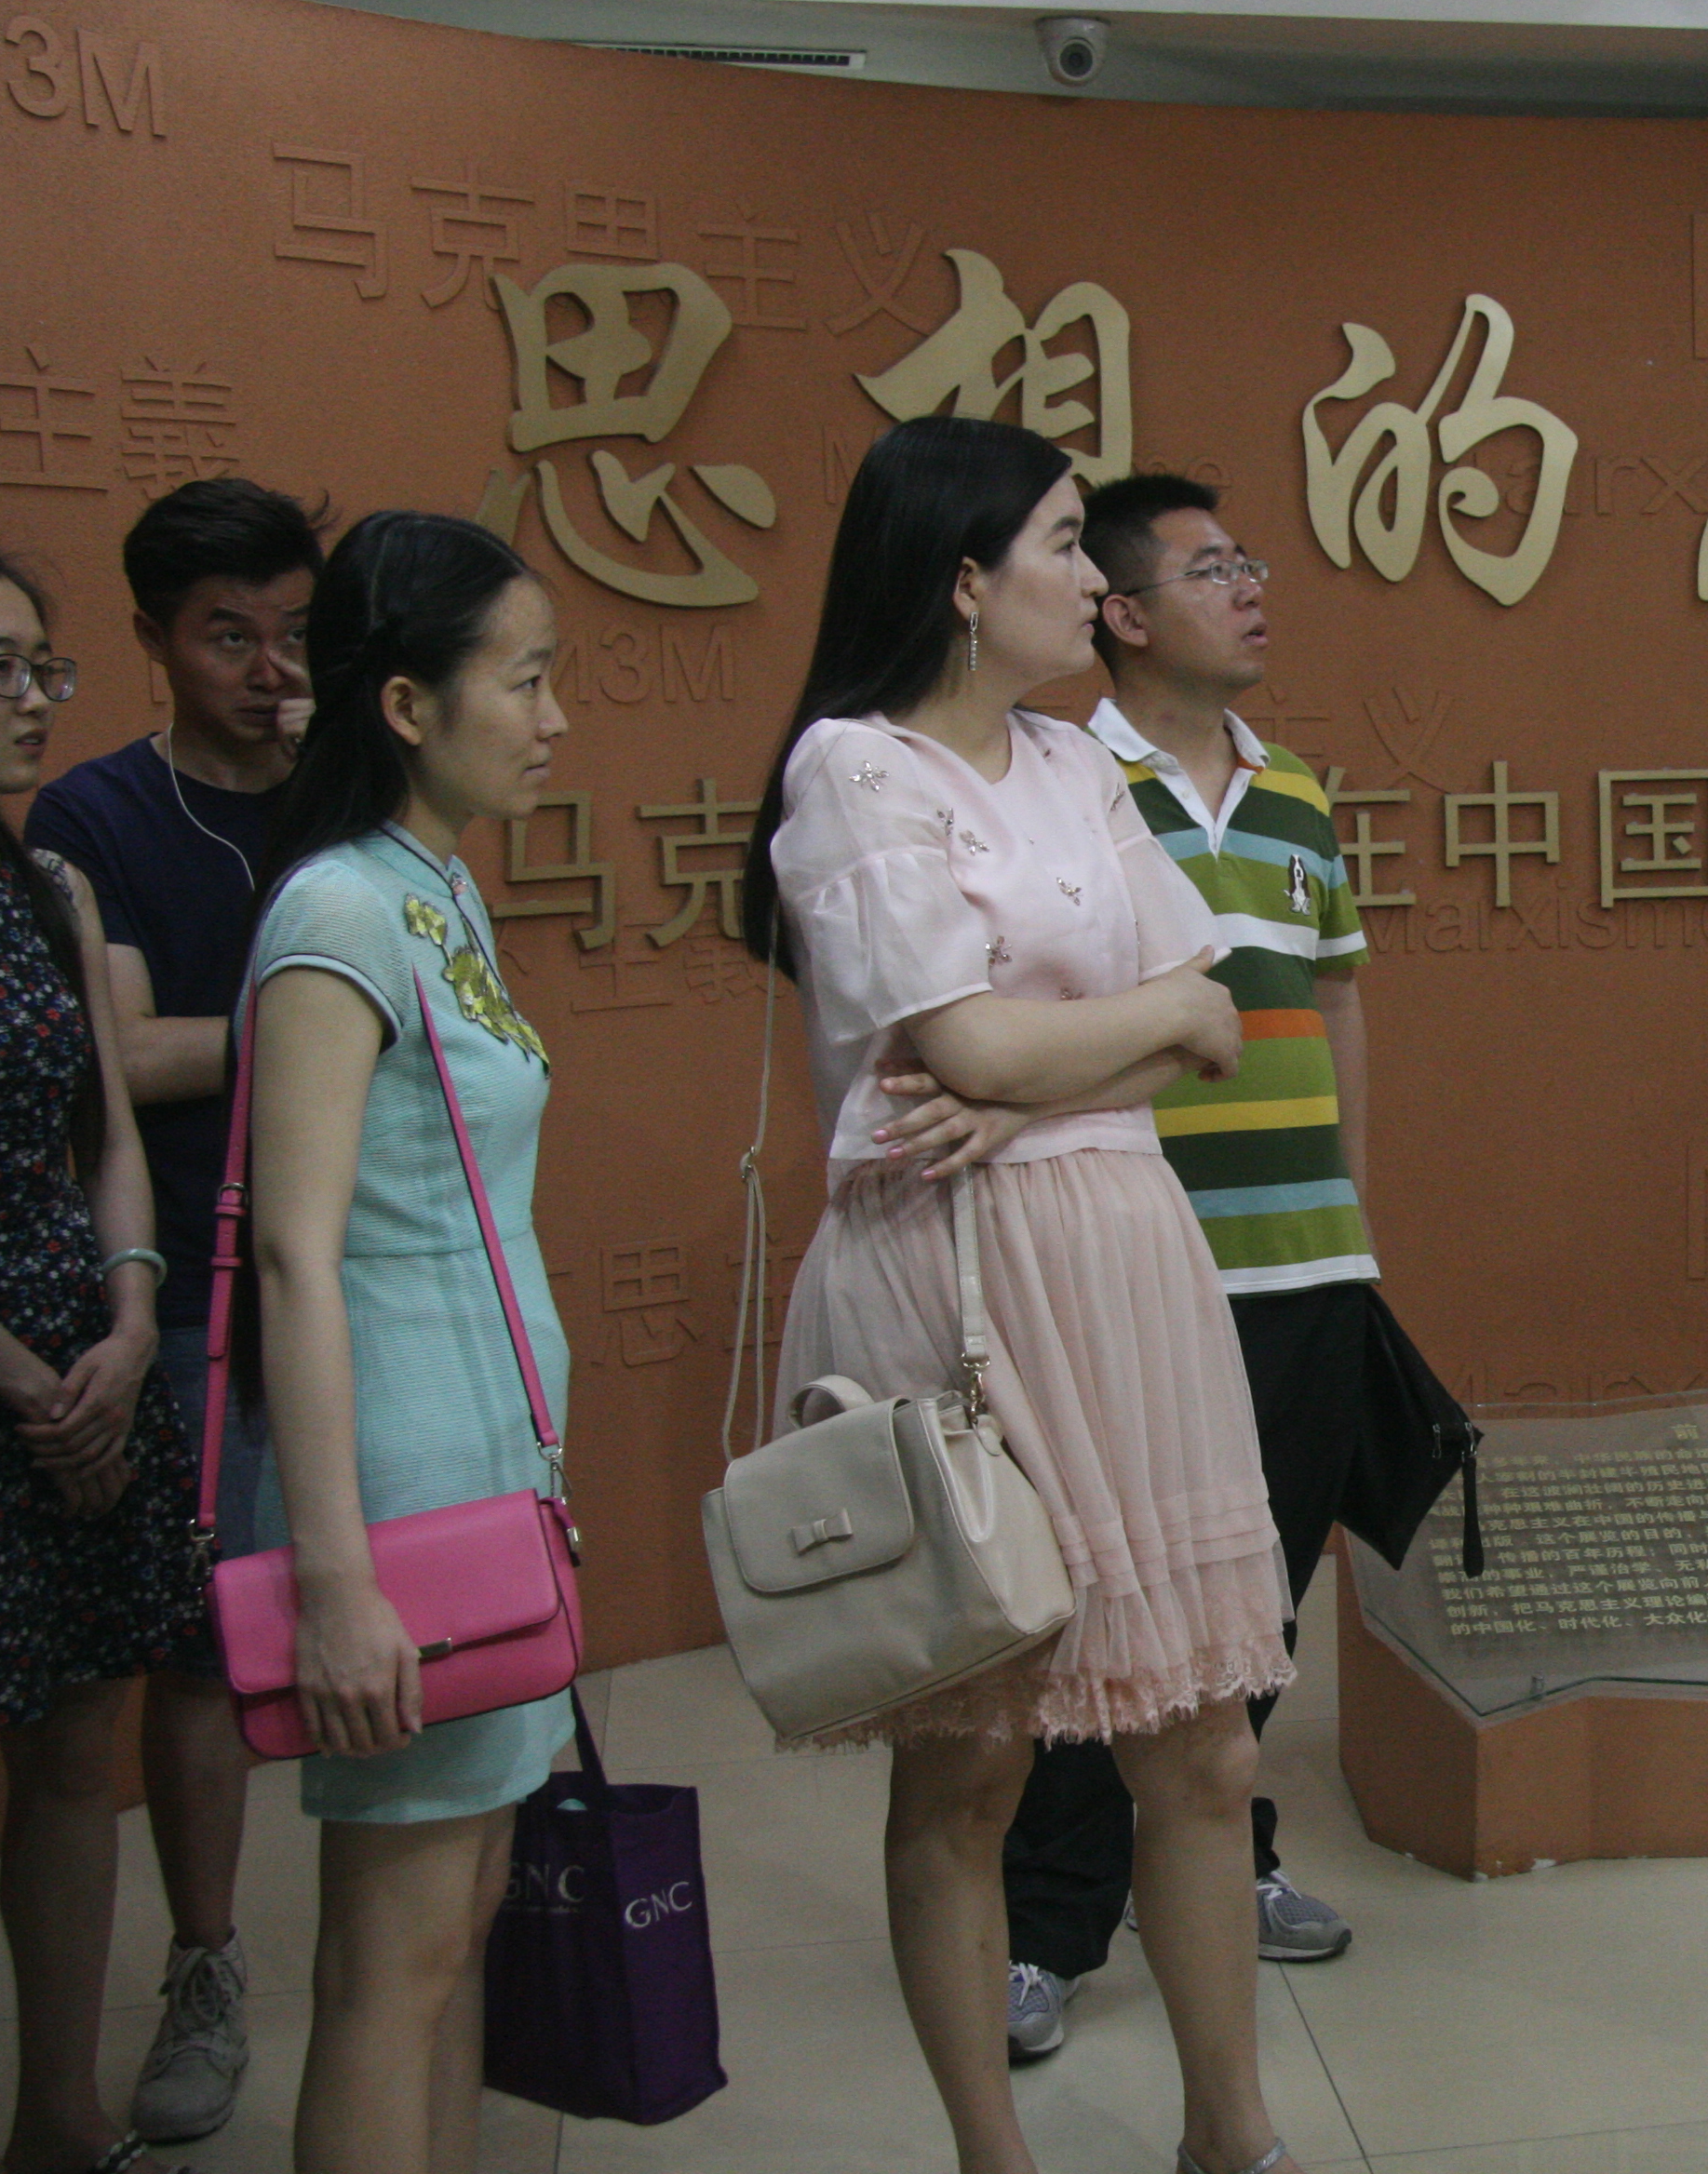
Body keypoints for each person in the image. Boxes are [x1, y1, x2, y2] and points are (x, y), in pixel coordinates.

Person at [742, 414, 1304, 2174]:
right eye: (1063, 544)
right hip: (956, 1280)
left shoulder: (1075, 761)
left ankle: (1232, 2137)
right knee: (971, 1761)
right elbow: (982, 1043)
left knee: (1202, 1747)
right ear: (966, 581)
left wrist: (1026, 1076)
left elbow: (1213, 1017)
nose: (1091, 577)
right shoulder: (854, 768)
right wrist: (1063, 1051)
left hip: (1123, 1259)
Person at [999, 473, 1368, 2061]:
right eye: (1212, 569)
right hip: (1140, 1265)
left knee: (1254, 1609)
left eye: (1250, 562)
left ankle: (1224, 1852)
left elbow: (1336, 1002)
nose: (1252, 588)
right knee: (1115, 1612)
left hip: (1307, 1262)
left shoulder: (1296, 794)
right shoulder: (1065, 784)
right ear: (1126, 615)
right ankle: (1047, 1926)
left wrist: (1352, 1212)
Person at [242, 510, 575, 2174]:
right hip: (399, 1493)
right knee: (395, 1959)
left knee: (461, 1924)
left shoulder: (435, 890)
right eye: (525, 680)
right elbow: (294, 1256)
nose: (553, 718)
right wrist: (334, 1578)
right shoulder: (339, 914)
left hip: (486, 1466)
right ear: (405, 705)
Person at [27, 476, 327, 2146]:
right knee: (205, 1643)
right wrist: (332, 1013)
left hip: (364, 1260)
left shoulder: (353, 791)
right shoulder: (94, 815)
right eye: (229, 637)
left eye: (295, 633)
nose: (270, 670)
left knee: (414, 1594)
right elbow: (123, 1058)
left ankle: (427, 1914)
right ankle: (205, 1961)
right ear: (152, 638)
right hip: (204, 1283)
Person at [0, 530, 205, 2174]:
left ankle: (60, 2114)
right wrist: (20, 1379)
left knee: (81, 1745)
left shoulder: (50, 889)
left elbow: (104, 1130)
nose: (33, 700)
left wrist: (133, 1312)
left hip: (88, 1358)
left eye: (45, 667)